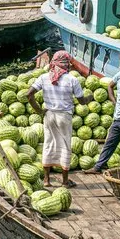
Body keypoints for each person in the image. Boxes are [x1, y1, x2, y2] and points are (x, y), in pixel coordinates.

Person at [26, 51, 93, 188]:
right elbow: (81, 101)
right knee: (65, 146)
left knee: (49, 144)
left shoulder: (44, 77)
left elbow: (29, 94)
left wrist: (39, 110)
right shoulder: (72, 80)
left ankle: (46, 180)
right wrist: (90, 98)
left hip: (49, 115)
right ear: (66, 64)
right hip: (64, 116)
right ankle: (65, 181)